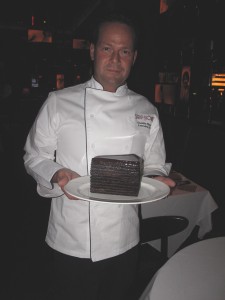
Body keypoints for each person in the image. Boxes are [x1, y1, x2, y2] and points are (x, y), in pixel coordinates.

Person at [23, 13, 175, 300]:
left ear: (134, 56)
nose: (116, 59)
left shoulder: (147, 109)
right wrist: (56, 173)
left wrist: (155, 179)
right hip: (73, 238)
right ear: (92, 50)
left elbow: (154, 163)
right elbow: (34, 155)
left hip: (125, 240)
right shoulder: (58, 102)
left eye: (124, 51)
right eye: (107, 48)